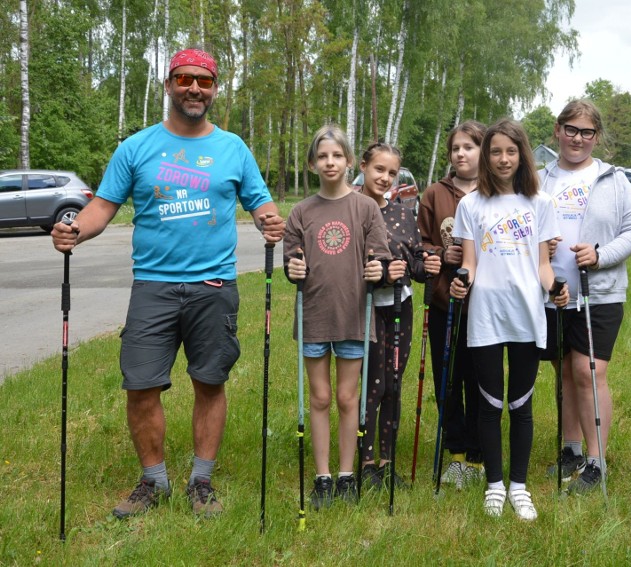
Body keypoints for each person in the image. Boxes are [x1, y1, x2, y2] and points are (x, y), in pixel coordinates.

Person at [51, 48, 285, 519]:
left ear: (215, 88)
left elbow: (261, 203)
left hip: (214, 287)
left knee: (209, 381)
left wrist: (270, 222)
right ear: (168, 85)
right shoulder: (136, 148)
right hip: (153, 286)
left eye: (203, 80)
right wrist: (74, 229)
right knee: (140, 385)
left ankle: (201, 481)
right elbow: (102, 207)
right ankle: (153, 482)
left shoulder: (233, 148)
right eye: (184, 79)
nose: (194, 88)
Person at [450, 118, 568, 521]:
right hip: (485, 315)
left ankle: (519, 485)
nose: (503, 159)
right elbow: (469, 263)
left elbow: (543, 267)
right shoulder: (470, 205)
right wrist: (460, 284)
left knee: (521, 405)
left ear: (523, 156)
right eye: (496, 151)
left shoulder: (541, 204)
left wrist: (556, 288)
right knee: (489, 404)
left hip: (527, 316)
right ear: (487, 156)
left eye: (511, 151)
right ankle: (495, 485)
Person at [538, 99, 631, 494]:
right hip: (552, 293)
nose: (577, 139)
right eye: (571, 129)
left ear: (596, 137)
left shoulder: (613, 179)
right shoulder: (539, 178)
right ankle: (571, 451)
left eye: (586, 132)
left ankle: (597, 461)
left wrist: (600, 256)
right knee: (564, 371)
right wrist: (538, 249)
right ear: (557, 130)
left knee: (590, 371)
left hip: (599, 293)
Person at [282, 125, 391, 509]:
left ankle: (347, 474)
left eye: (337, 155)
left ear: (349, 161)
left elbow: (379, 257)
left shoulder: (366, 208)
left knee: (348, 398)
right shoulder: (300, 212)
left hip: (353, 317)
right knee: (320, 397)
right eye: (323, 156)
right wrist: (291, 269)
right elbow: (291, 262)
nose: (330, 162)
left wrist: (378, 269)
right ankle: (323, 476)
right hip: (314, 315)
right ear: (313, 163)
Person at [356, 142, 442, 489]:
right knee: (371, 386)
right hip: (365, 308)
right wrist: (379, 271)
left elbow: (415, 261)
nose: (385, 178)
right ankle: (365, 462)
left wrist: (428, 265)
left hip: (400, 306)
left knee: (393, 382)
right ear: (363, 167)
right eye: (379, 169)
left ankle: (388, 463)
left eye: (392, 173)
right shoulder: (352, 209)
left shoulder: (403, 212)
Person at [417, 120, 487, 489]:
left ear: (483, 151)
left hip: (487, 306)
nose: (461, 153)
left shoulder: (497, 193)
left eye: (469, 147)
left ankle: (479, 453)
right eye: (455, 148)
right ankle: (456, 453)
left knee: (481, 379)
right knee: (448, 381)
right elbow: (421, 242)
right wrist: (441, 253)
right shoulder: (434, 194)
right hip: (447, 303)